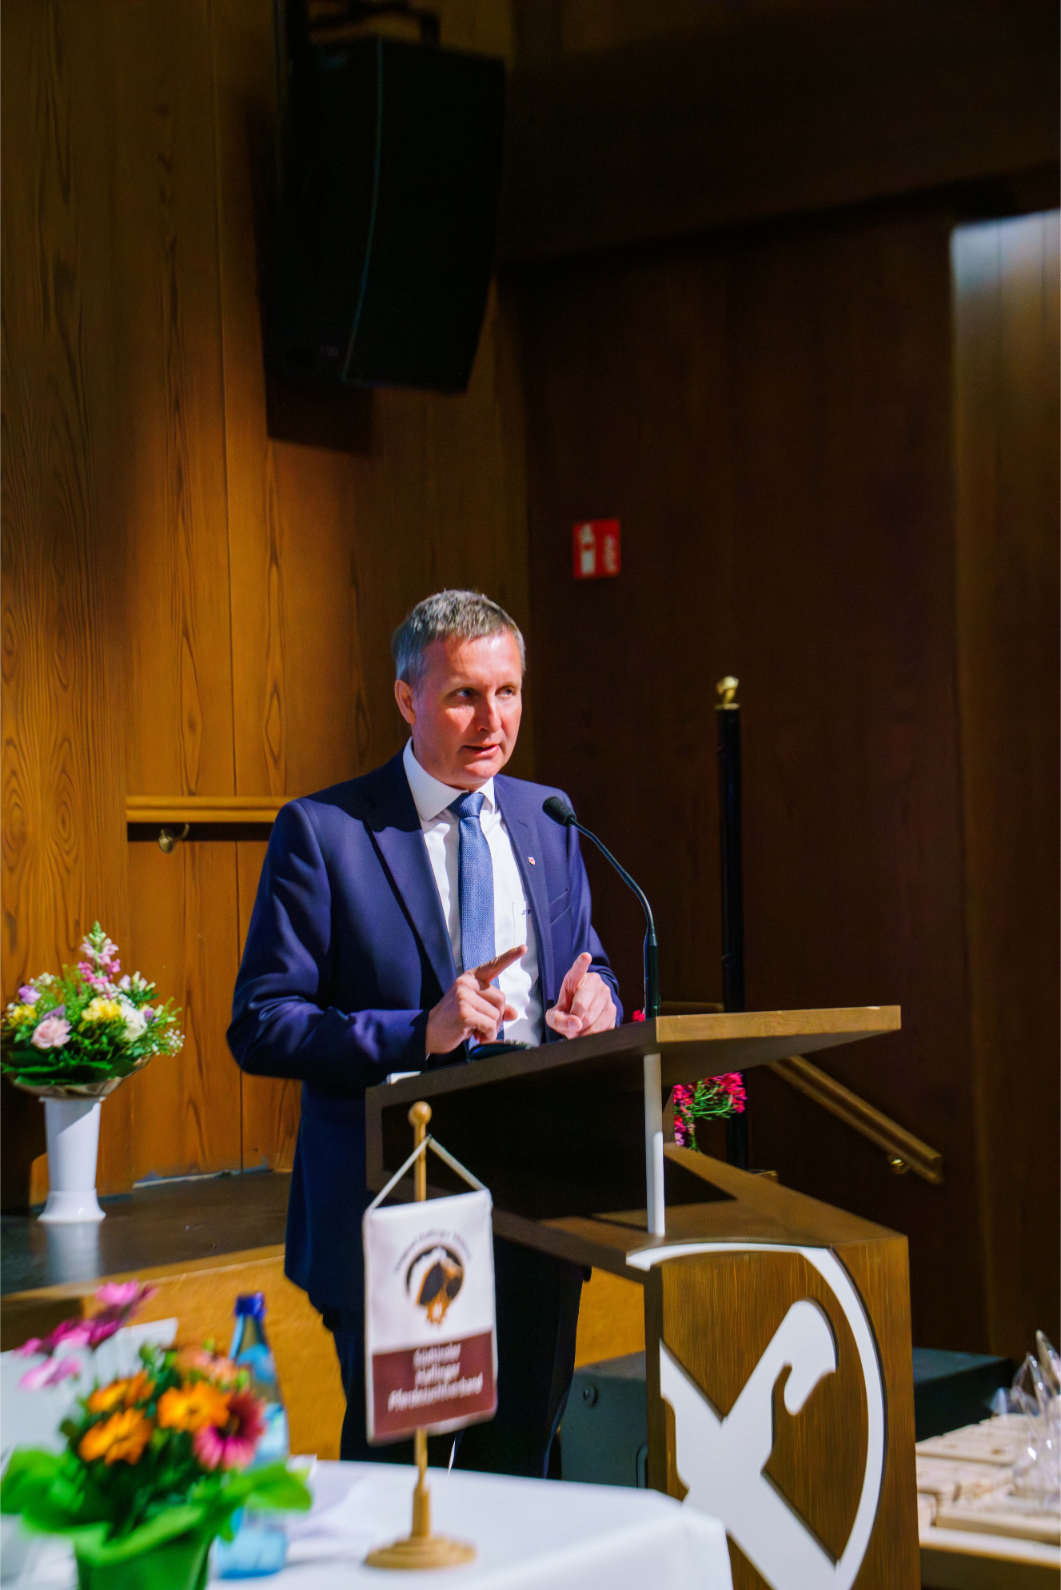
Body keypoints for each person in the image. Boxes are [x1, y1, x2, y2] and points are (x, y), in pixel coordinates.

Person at [228, 590, 621, 1474]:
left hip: (536, 1200)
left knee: (523, 1472)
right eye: (463, 696)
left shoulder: (547, 818)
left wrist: (596, 992)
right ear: (407, 698)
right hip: (396, 1206)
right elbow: (262, 1023)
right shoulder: (326, 832)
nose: (493, 720)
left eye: (508, 693)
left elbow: (585, 957)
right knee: (402, 1486)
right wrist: (421, 1030)